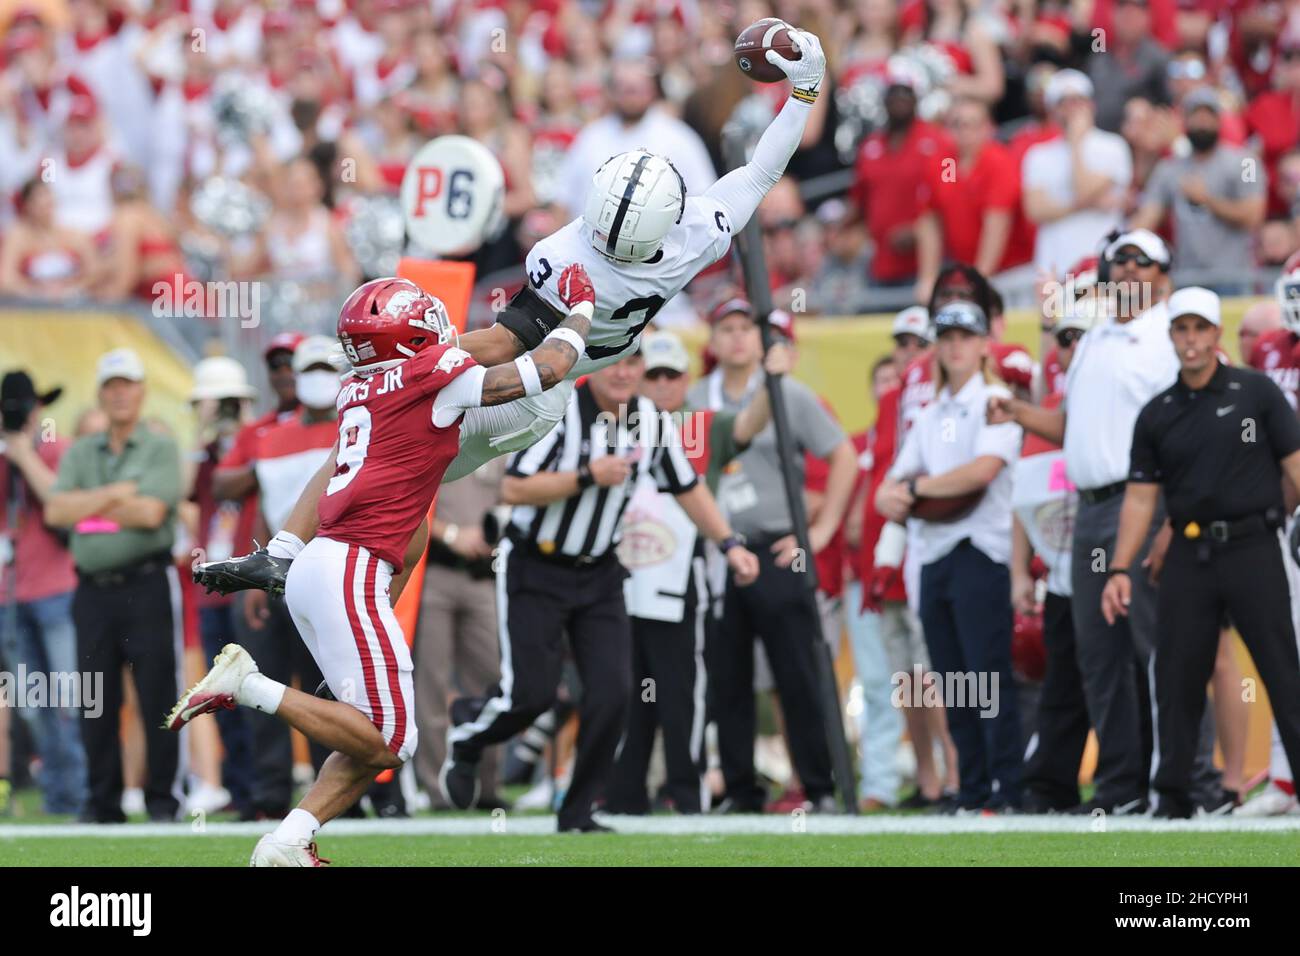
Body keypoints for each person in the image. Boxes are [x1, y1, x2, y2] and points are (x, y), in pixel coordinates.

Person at [187, 25, 830, 582]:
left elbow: (504, 345)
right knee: (395, 461)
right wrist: (804, 91)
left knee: (392, 449)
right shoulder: (690, 236)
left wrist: (403, 369)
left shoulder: (569, 257)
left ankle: (318, 574)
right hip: (541, 378)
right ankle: (301, 563)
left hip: (531, 390)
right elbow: (759, 171)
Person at [175, 268, 598, 865]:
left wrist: (287, 553)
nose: (434, 321)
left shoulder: (358, 388)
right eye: (420, 314)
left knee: (370, 736)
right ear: (405, 332)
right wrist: (580, 311)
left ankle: (287, 842)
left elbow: (414, 527)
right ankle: (248, 685)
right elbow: (540, 372)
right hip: (349, 570)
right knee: (392, 738)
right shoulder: (428, 374)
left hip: (332, 568)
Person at [441, 349, 759, 831]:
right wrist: (588, 476)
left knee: (613, 693)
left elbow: (687, 485)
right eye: (615, 363)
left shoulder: (648, 418)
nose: (624, 373)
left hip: (601, 573)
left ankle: (578, 810)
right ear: (593, 368)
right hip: (535, 564)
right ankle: (467, 735)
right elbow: (514, 489)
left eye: (635, 364)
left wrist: (730, 543)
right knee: (532, 695)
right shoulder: (559, 405)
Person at [989, 229, 1223, 814]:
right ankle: (1122, 788)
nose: (1128, 272)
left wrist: (1176, 516)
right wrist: (1019, 411)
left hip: (1147, 503)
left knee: (1161, 649)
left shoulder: (1170, 338)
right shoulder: (1093, 337)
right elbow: (1075, 425)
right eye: (1119, 263)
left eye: (1142, 263)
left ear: (1163, 275)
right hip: (1090, 507)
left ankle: (1190, 784)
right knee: (1100, 658)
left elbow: (1193, 433)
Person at [1101, 287, 1300, 817]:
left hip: (1255, 545)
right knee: (1177, 674)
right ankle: (1174, 797)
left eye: (1199, 329)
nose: (1190, 340)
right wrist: (1119, 567)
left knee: (1282, 668)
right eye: (1181, 330)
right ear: (1171, 336)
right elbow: (1141, 500)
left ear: (1216, 334)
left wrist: (1284, 520)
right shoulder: (1158, 413)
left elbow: (1295, 465)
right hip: (1190, 551)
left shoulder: (1256, 393)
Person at [688, 296, 857, 813]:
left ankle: (820, 784)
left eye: (747, 327)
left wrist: (820, 530)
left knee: (797, 672)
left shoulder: (790, 394)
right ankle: (741, 789)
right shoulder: (696, 397)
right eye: (728, 328)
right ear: (713, 341)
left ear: (763, 339)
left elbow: (843, 453)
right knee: (727, 676)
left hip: (777, 548)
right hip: (719, 551)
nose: (738, 336)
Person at [605, 330, 785, 815]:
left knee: (681, 691)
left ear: (687, 379)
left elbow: (749, 424)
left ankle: (686, 796)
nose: (662, 383)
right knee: (624, 691)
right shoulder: (615, 421)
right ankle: (624, 796)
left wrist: (772, 376)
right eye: (654, 374)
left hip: (682, 577)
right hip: (620, 578)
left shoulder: (703, 426)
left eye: (671, 374)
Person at [876, 301, 1024, 812]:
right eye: (948, 336)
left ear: (985, 343)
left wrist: (913, 490)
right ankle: (974, 787)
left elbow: (980, 474)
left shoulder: (996, 400)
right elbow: (888, 485)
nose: (956, 344)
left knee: (988, 673)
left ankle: (1007, 786)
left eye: (966, 335)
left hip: (981, 548)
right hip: (933, 549)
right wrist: (901, 492)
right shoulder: (931, 412)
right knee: (953, 679)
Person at [45, 348, 183, 823]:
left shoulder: (161, 446)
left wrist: (88, 507)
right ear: (101, 394)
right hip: (92, 592)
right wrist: (118, 494)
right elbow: (55, 512)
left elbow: (152, 513)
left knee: (157, 694)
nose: (120, 392)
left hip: (145, 584)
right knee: (96, 699)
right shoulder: (82, 450)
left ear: (142, 390)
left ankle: (162, 800)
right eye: (111, 385)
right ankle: (101, 803)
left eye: (127, 383)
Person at [0, 370, 87, 815]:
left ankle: (83, 792)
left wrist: (22, 456)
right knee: (34, 705)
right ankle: (58, 795)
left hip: (56, 590)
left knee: (71, 697)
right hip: (9, 597)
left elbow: (59, 507)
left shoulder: (56, 451)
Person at [412, 457, 512, 812]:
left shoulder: (501, 438)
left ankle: (486, 786)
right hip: (432, 571)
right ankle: (440, 789)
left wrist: (494, 535)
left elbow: (511, 496)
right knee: (431, 686)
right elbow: (409, 501)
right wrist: (451, 535)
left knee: (492, 682)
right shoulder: (434, 432)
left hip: (483, 575)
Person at [1129, 88, 1266, 291]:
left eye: (1208, 115)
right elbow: (1146, 219)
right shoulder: (1169, 168)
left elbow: (1254, 215)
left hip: (1234, 276)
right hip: (1187, 277)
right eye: (1196, 115)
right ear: (1184, 121)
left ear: (1219, 120)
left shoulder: (1245, 161)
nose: (1202, 122)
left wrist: (1207, 200)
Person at [1022, 70, 1132, 276]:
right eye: (1064, 102)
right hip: (1055, 265)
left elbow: (1081, 190)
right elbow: (1035, 210)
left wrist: (1075, 145)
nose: (1072, 108)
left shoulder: (1114, 146)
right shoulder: (1037, 155)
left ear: (1091, 105)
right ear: (1052, 110)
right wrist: (1086, 203)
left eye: (1078, 100)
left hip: (1104, 264)